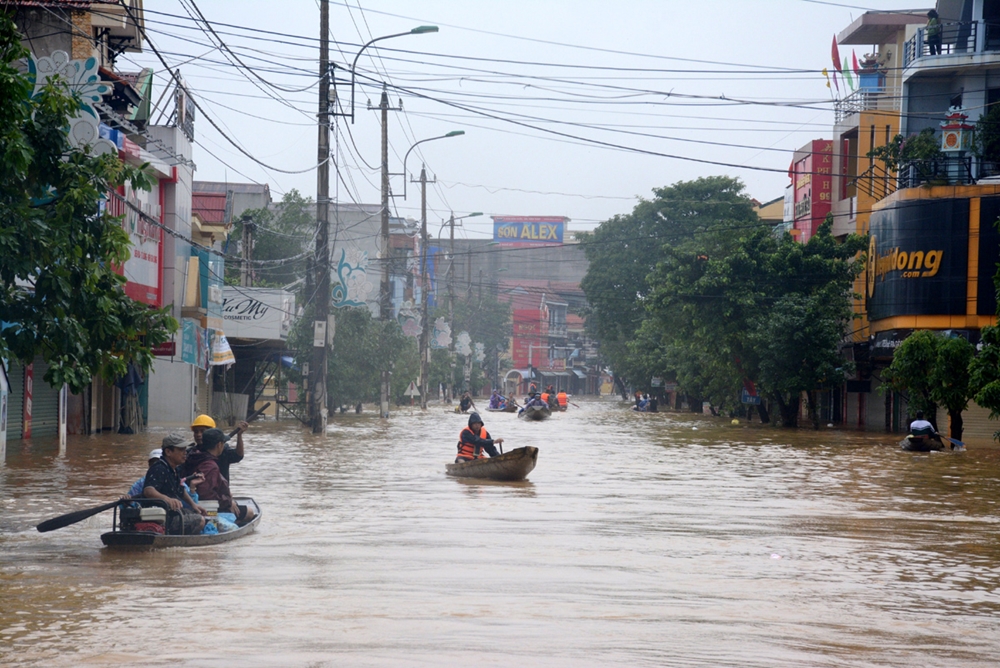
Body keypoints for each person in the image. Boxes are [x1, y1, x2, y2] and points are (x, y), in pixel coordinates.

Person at [186, 428, 256, 526]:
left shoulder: (193, 455)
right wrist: (228, 502)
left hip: (196, 503)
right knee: (249, 512)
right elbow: (207, 495)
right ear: (219, 445)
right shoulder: (210, 466)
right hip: (208, 508)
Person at [143, 433, 207, 535]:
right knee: (200, 520)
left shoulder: (174, 470)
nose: (185, 453)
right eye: (181, 450)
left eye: (185, 449)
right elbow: (148, 490)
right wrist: (167, 499)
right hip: (160, 518)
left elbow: (181, 490)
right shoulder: (159, 468)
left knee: (198, 514)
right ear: (168, 452)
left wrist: (193, 505)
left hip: (170, 513)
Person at [189, 414, 248, 482]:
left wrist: (239, 435)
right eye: (196, 432)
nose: (198, 435)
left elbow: (238, 455)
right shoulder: (191, 454)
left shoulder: (223, 450)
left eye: (202, 431)